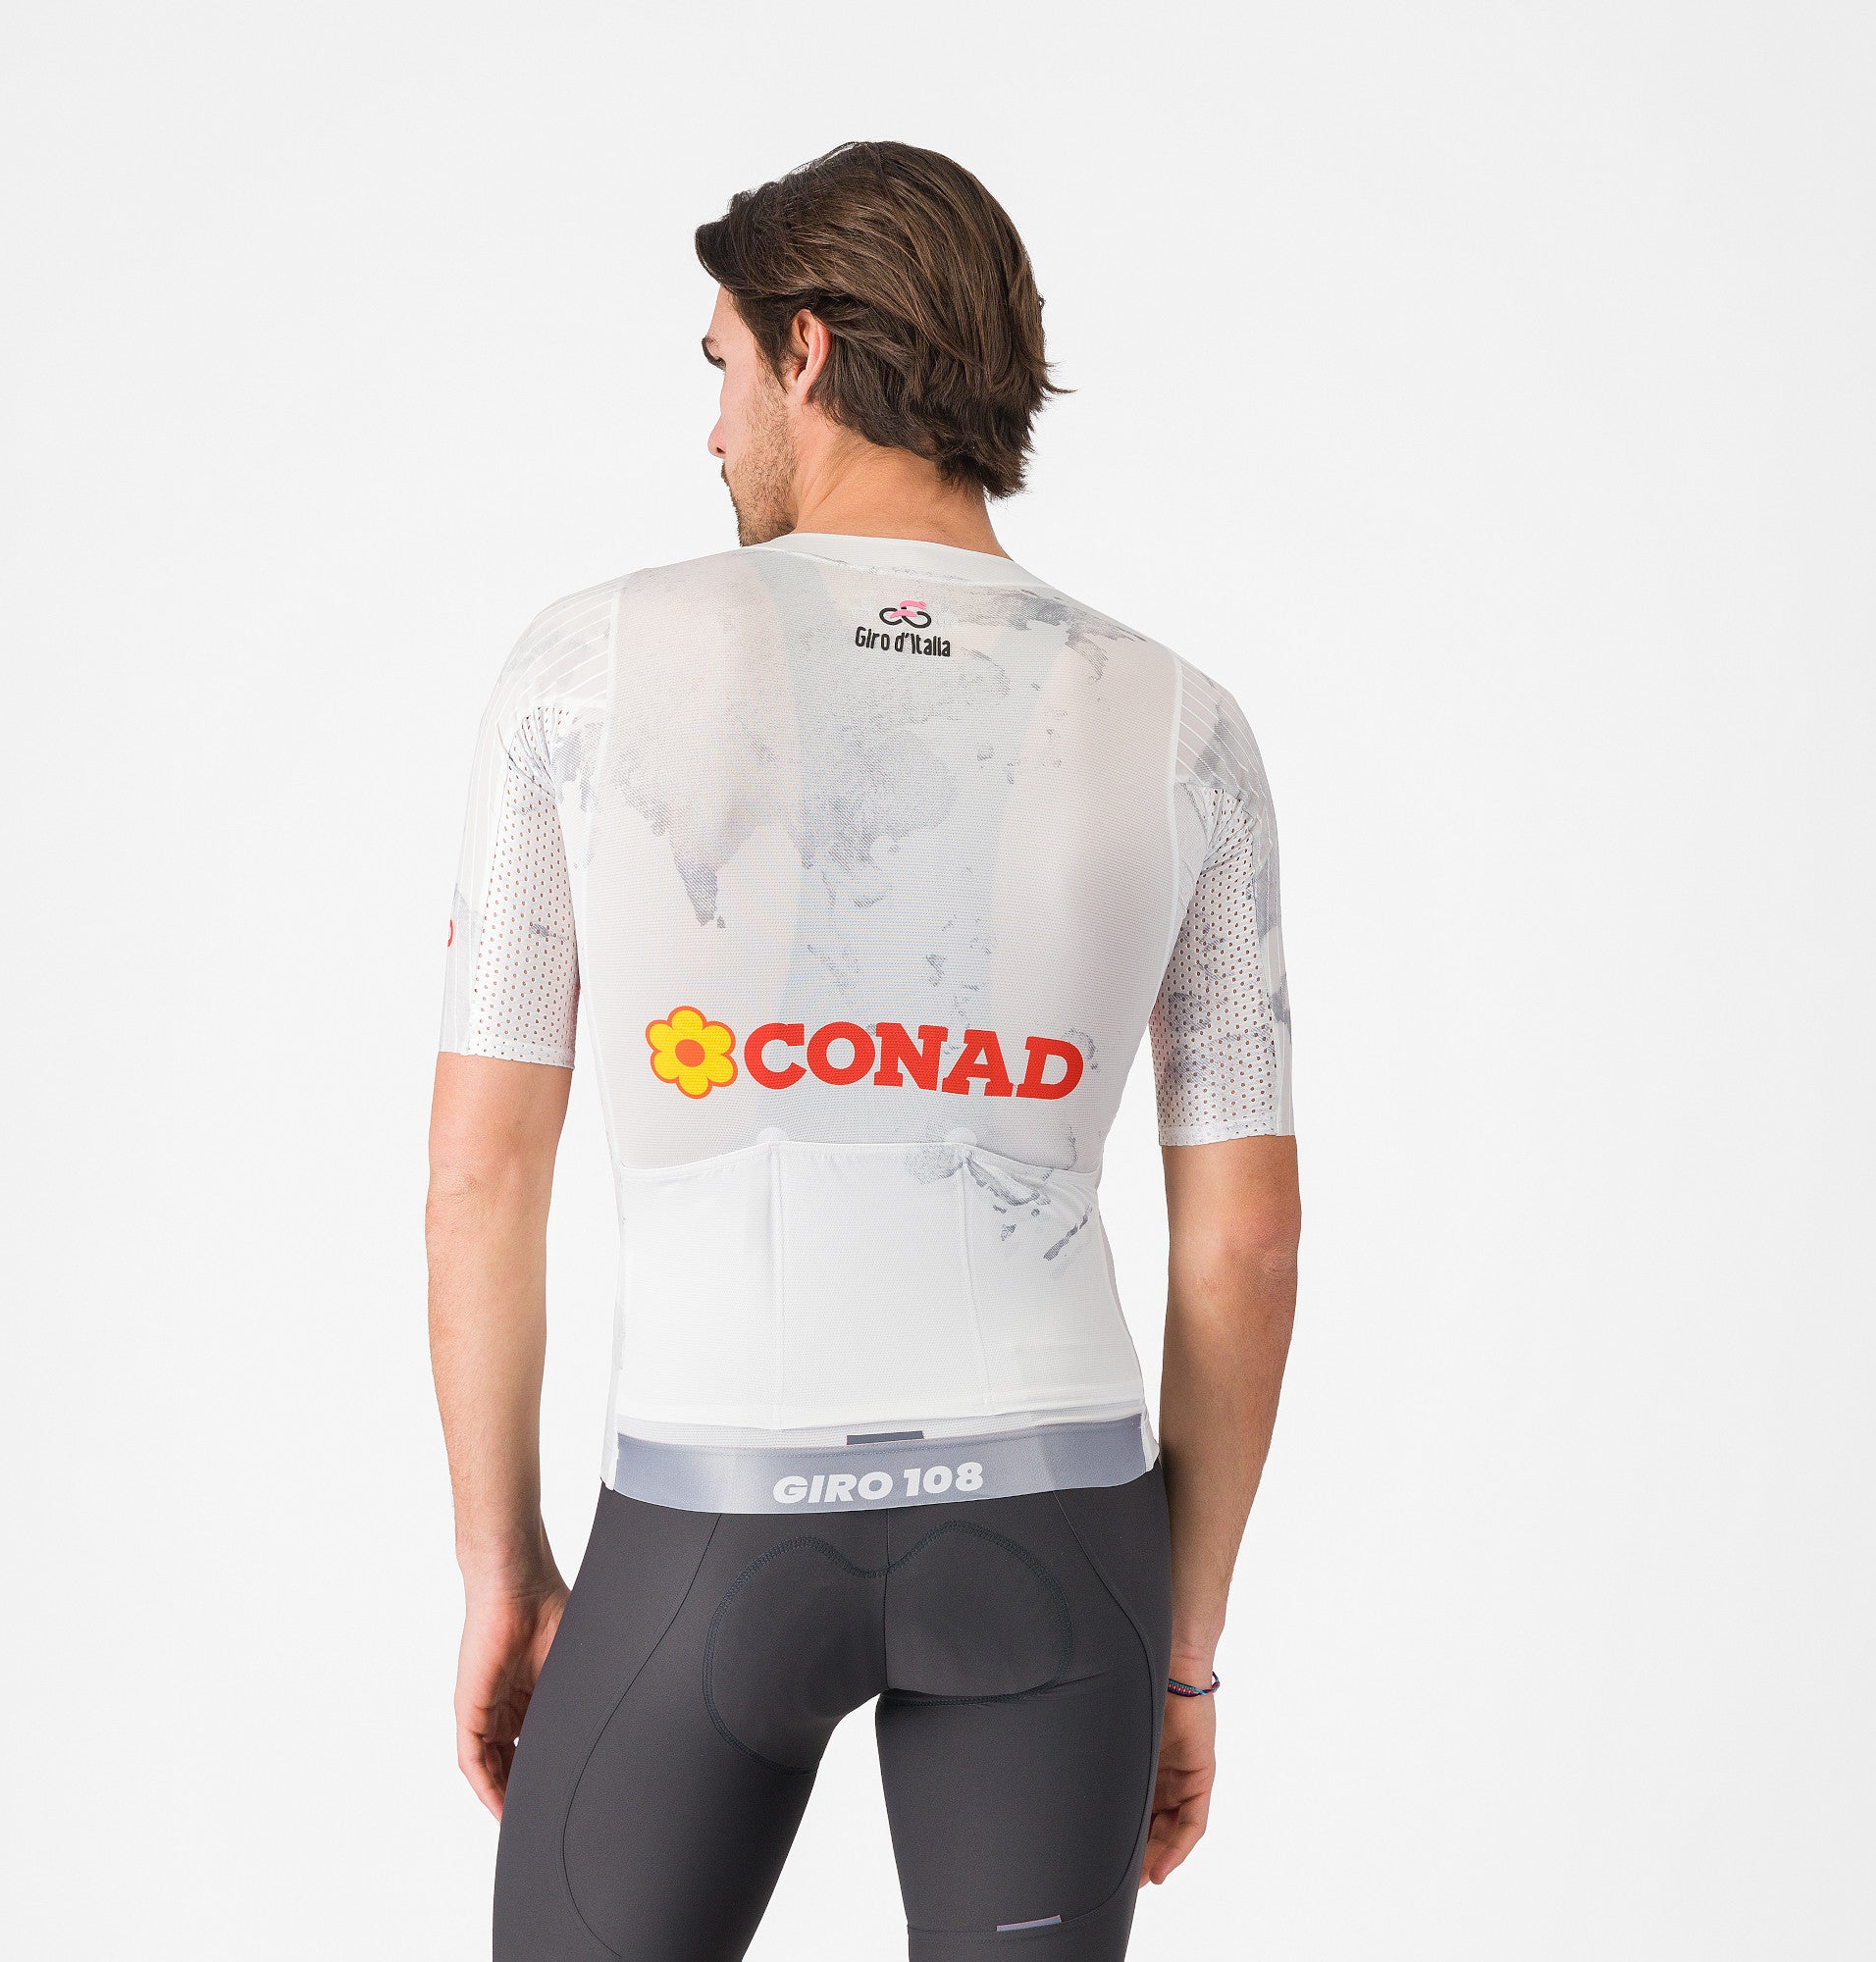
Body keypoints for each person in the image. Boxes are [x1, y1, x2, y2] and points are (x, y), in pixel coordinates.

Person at [427, 140, 1301, 1962]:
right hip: (1062, 1533)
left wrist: (504, 1566)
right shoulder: (1184, 724)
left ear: (805, 350)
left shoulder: (581, 672)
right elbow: (1246, 1241)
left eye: (721, 367)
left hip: (705, 1518)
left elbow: (480, 1175)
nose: (713, 427)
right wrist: (1183, 1650)